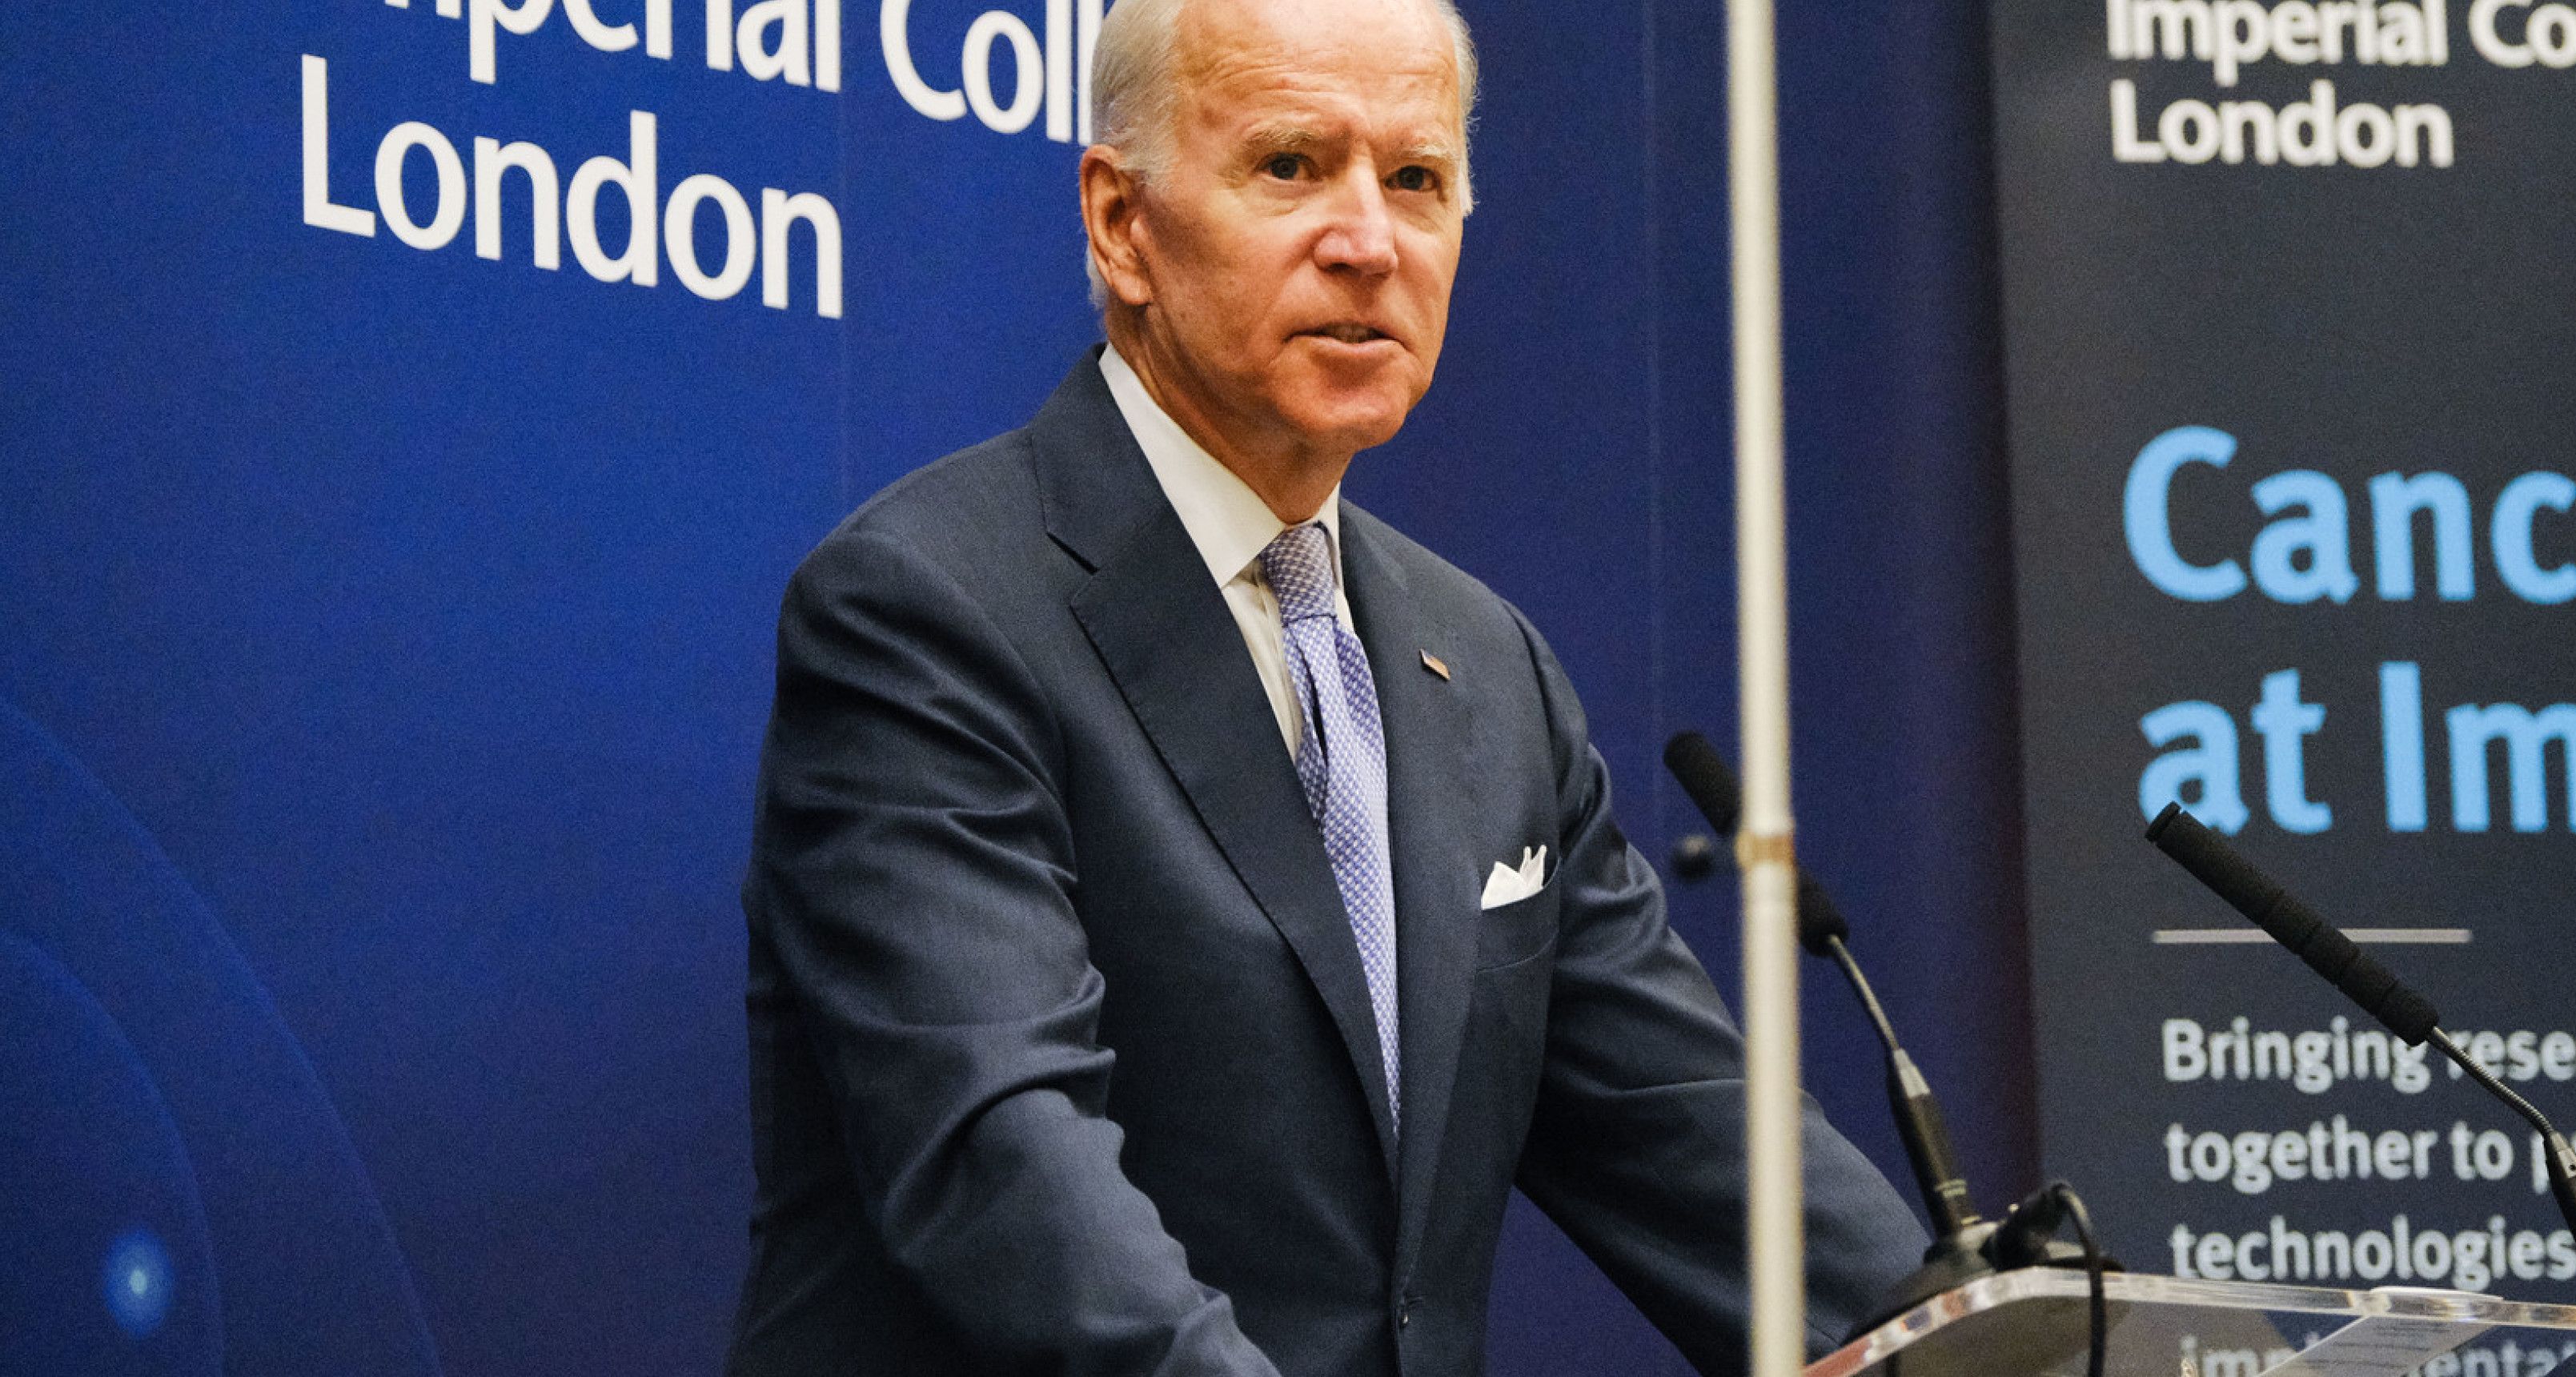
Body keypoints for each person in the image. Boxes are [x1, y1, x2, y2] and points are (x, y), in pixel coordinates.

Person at [725, 0, 1927, 1371]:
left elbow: (1693, 1131)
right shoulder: (928, 610)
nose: (1368, 243)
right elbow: (1002, 1155)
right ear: (1124, 224)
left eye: (1416, 180)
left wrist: (1986, 1340)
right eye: (1292, 167)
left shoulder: (1486, 667)